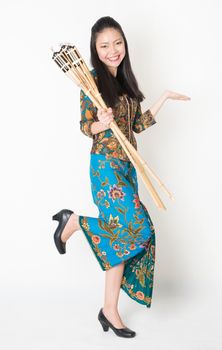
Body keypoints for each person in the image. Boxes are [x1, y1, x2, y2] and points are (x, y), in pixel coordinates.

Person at [52, 16, 191, 338]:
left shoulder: (125, 83)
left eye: (117, 43)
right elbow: (87, 127)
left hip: (129, 166)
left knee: (122, 238)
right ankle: (72, 222)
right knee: (138, 228)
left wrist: (164, 98)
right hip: (106, 166)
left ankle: (109, 309)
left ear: (124, 44)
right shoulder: (91, 82)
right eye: (104, 45)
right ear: (95, 50)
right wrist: (101, 120)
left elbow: (136, 127)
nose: (113, 50)